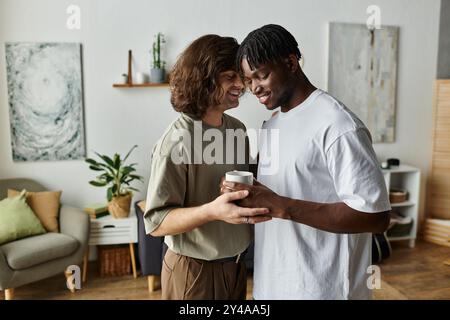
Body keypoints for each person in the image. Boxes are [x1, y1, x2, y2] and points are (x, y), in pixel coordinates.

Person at [221, 24, 391, 299]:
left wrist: (284, 207)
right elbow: (283, 180)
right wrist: (243, 186)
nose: (255, 88)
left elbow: (376, 216)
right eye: (248, 81)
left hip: (323, 290)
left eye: (261, 76)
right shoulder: (273, 123)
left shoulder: (338, 125)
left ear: (290, 63)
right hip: (273, 285)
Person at [143, 34, 270, 300]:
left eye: (241, 77)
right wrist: (211, 211)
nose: (241, 85)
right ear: (204, 79)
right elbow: (156, 222)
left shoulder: (237, 129)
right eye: (229, 77)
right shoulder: (177, 140)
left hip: (236, 267)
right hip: (194, 272)